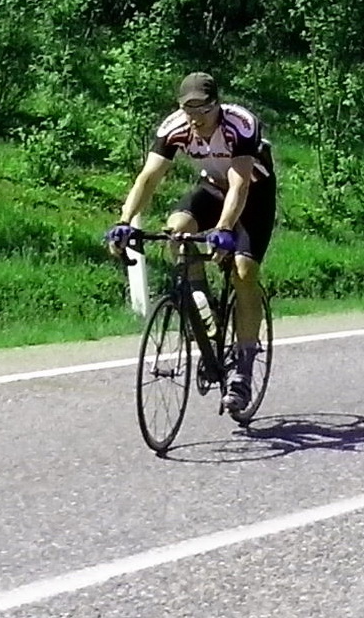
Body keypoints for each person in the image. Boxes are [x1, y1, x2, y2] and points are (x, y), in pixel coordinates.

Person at [107, 71, 277, 415]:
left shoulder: (240, 125)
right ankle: (203, 305)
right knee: (177, 230)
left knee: (243, 270)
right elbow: (149, 177)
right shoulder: (175, 127)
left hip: (253, 195)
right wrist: (124, 221)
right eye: (189, 110)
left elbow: (240, 184)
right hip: (212, 188)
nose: (196, 119)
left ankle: (244, 367)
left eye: (203, 110)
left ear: (217, 105)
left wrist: (225, 228)